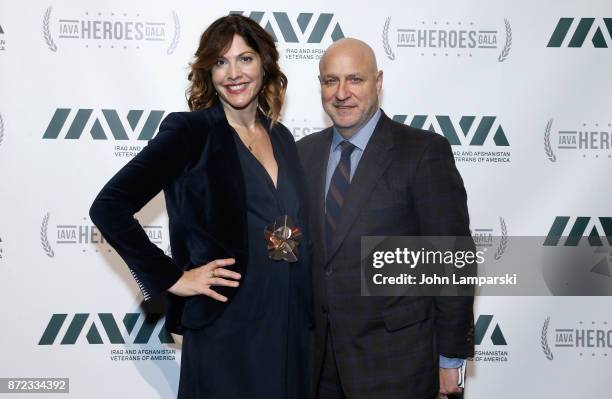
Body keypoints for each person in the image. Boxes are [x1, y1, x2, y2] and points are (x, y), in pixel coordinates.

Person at [90, 15, 312, 399]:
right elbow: (109, 206)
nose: (234, 73)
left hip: (289, 323)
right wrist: (172, 278)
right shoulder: (192, 133)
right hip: (227, 326)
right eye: (220, 62)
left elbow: (287, 223)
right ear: (208, 72)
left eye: (245, 58)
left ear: (265, 64)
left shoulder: (282, 137)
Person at [296, 38, 474, 399]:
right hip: (316, 367)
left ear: (377, 82)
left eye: (355, 80)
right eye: (331, 81)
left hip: (398, 365)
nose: (341, 93)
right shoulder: (303, 154)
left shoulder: (423, 152)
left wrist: (450, 358)